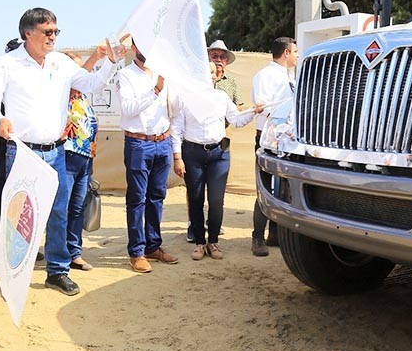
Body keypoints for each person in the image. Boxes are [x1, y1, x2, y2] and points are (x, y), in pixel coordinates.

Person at [0, 8, 119, 295]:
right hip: (22, 152)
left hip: (56, 152)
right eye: (47, 31)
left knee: (58, 213)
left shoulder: (61, 63)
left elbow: (90, 84)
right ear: (28, 33)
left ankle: (57, 271)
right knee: (19, 216)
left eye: (55, 31)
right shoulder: (7, 64)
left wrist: (111, 61)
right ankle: (13, 274)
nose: (53, 37)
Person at [172, 68, 262, 260]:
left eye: (214, 72)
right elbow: (177, 129)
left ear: (216, 76)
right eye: (207, 71)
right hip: (192, 153)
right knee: (195, 199)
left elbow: (236, 120)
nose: (211, 74)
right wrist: (177, 157)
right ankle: (199, 243)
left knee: (216, 199)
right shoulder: (185, 98)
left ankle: (213, 241)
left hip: (219, 153)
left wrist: (253, 111)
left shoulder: (221, 97)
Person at [117, 39, 179, 273]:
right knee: (137, 199)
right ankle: (137, 251)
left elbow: (172, 108)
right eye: (142, 45)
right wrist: (156, 89)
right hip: (138, 143)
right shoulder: (126, 75)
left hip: (162, 141)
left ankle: (154, 246)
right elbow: (129, 109)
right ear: (134, 48)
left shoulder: (163, 73)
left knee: (157, 197)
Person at [250, 37, 298, 256]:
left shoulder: (291, 77)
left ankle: (275, 234)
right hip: (268, 139)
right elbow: (263, 106)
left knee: (285, 189)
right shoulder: (265, 75)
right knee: (266, 187)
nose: (298, 55)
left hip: (288, 140)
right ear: (286, 53)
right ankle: (257, 237)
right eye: (295, 51)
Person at [61, 51, 108, 272]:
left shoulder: (82, 97)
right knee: (62, 208)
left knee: (77, 208)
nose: (80, 75)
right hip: (66, 157)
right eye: (76, 70)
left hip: (85, 160)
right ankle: (59, 254)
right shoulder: (61, 95)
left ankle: (74, 252)